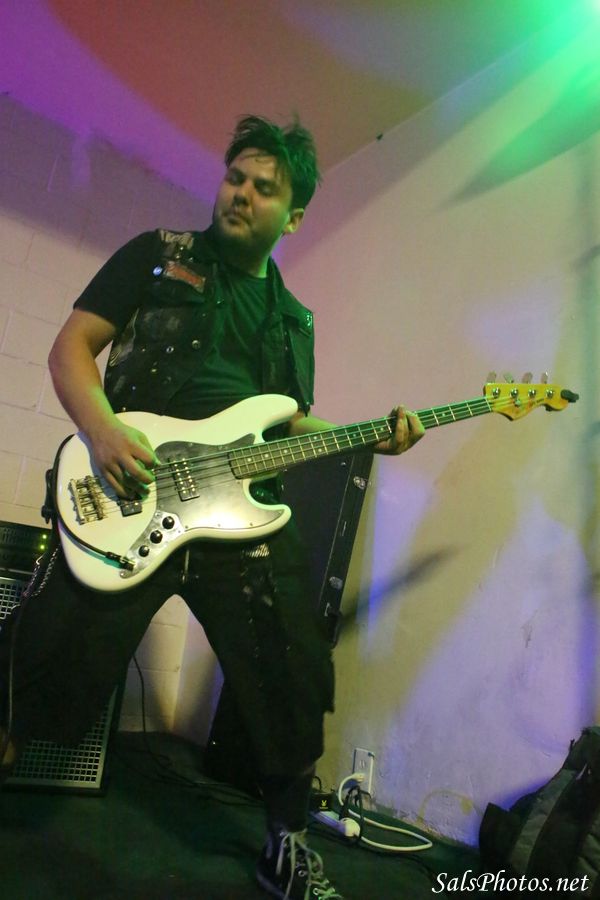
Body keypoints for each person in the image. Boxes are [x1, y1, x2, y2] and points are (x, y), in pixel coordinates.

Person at [0, 115, 424, 899]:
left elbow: (285, 423)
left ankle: (287, 844)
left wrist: (373, 438)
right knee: (43, 652)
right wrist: (102, 430)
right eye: (236, 177)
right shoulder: (157, 254)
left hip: (236, 521)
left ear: (293, 217)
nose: (242, 193)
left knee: (294, 670)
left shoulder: (293, 321)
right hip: (132, 492)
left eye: (265, 188)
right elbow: (71, 349)